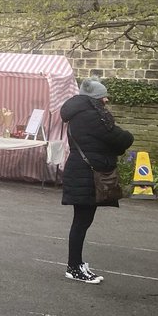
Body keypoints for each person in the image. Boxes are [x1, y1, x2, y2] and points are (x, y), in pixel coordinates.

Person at [60, 78, 134, 284]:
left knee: (81, 221)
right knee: (81, 222)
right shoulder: (92, 116)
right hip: (87, 174)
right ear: (94, 99)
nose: (106, 99)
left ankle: (75, 263)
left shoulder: (78, 114)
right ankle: (74, 267)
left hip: (81, 171)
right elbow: (121, 138)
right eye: (103, 97)